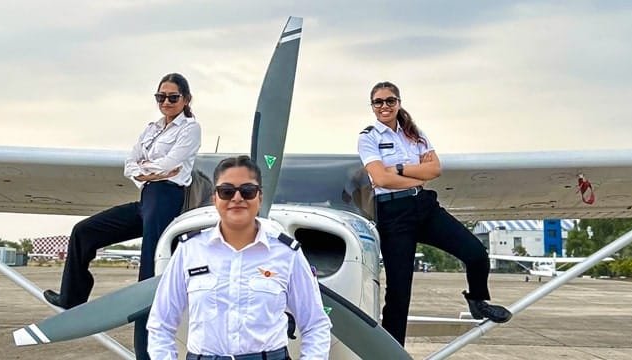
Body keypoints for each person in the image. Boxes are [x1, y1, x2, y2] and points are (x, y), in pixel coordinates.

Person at [43, 73, 201, 360]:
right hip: (147, 196)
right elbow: (130, 164)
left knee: (148, 273)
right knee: (84, 230)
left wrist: (149, 167)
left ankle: (147, 351)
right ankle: (71, 299)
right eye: (160, 97)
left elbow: (171, 164)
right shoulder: (151, 128)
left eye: (173, 97)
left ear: (186, 100)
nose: (166, 102)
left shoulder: (190, 128)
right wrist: (148, 171)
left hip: (168, 199)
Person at [357, 81, 512, 345]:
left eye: (390, 101)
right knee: (399, 293)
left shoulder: (414, 133)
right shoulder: (368, 137)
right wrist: (415, 175)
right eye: (378, 102)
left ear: (399, 103)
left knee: (475, 252)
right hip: (393, 214)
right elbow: (381, 178)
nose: (385, 106)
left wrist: (400, 170)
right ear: (372, 107)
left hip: (424, 207)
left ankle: (477, 299)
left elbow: (435, 169)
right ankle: (393, 351)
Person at [147, 155, 332, 360]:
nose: (237, 198)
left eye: (247, 191)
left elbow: (315, 324)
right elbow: (160, 324)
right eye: (226, 191)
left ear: (259, 197)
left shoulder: (288, 254)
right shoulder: (189, 250)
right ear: (215, 198)